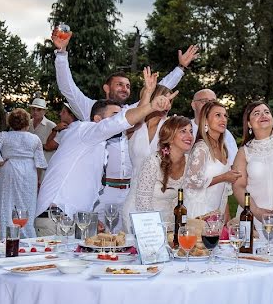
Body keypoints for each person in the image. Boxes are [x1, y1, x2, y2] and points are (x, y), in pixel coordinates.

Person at [51, 29, 198, 231]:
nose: (124, 89)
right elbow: (67, 88)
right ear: (106, 87)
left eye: (128, 86)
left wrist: (180, 68)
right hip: (101, 194)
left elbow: (159, 91)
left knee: (124, 247)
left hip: (131, 190)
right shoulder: (90, 108)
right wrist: (61, 54)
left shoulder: (133, 113)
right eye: (119, 84)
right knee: (92, 242)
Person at [34, 84, 175, 223]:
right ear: (98, 120)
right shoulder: (85, 130)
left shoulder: (95, 143)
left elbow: (133, 123)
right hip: (55, 215)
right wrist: (150, 106)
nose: (118, 119)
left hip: (70, 217)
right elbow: (122, 121)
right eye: (114, 115)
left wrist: (91, 218)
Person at [231, 102, 273, 249]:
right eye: (256, 113)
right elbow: (238, 186)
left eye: (266, 112)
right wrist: (255, 211)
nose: (263, 115)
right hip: (258, 223)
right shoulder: (243, 151)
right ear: (249, 123)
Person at [0, 108, 48, 240]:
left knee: (7, 202)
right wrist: (38, 179)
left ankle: (8, 236)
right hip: (29, 171)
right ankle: (27, 235)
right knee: (28, 203)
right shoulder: (35, 139)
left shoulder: (4, 136)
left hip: (9, 169)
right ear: (27, 122)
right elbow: (40, 163)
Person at [122, 116, 193, 228]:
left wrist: (175, 225)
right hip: (140, 217)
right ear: (170, 137)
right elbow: (142, 203)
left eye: (191, 131)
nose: (189, 136)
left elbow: (178, 200)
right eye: (183, 131)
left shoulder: (189, 161)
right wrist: (156, 230)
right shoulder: (153, 161)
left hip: (165, 220)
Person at [185, 101, 241, 220]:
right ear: (205, 120)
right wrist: (224, 177)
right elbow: (192, 182)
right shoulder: (201, 148)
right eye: (218, 115)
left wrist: (226, 218)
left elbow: (224, 191)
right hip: (198, 213)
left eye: (225, 116)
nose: (223, 119)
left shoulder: (223, 150)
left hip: (216, 215)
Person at [190, 88, 238, 163]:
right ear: (193, 105)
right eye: (204, 101)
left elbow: (234, 162)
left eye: (213, 102)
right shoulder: (184, 129)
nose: (209, 105)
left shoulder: (227, 135)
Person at [29, 96, 56, 166]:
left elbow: (53, 146)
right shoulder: (27, 124)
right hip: (29, 164)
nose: (35, 112)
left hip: (45, 164)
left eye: (39, 109)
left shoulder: (51, 126)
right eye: (33, 109)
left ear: (44, 111)